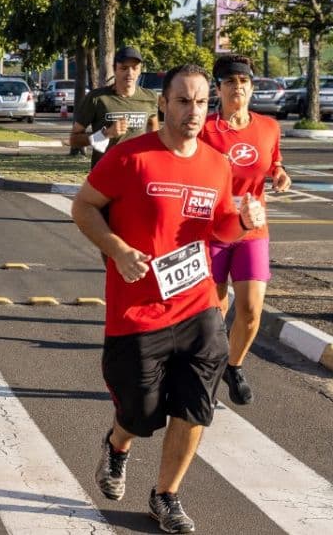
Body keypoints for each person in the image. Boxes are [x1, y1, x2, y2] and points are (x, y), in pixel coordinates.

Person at [72, 64, 265, 534]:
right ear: (163, 103)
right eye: (183, 101)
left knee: (195, 405)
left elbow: (217, 229)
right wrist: (117, 249)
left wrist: (242, 222)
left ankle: (166, 495)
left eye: (201, 102)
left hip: (197, 305)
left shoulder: (217, 164)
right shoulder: (131, 158)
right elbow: (83, 206)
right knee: (140, 412)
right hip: (137, 310)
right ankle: (118, 445)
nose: (193, 111)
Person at [198, 54, 291, 406]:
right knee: (213, 312)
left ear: (252, 88)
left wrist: (280, 174)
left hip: (253, 229)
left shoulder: (268, 127)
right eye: (230, 83)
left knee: (251, 311)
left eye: (244, 82)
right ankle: (206, 374)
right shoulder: (205, 129)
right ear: (218, 89)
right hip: (214, 229)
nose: (238, 88)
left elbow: (274, 162)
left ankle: (233, 366)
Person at [70, 46, 160, 168]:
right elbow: (74, 140)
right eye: (124, 68)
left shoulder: (150, 97)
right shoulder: (97, 98)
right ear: (114, 69)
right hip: (105, 173)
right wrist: (106, 134)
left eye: (135, 68)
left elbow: (154, 131)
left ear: (140, 71)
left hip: (138, 173)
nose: (130, 73)